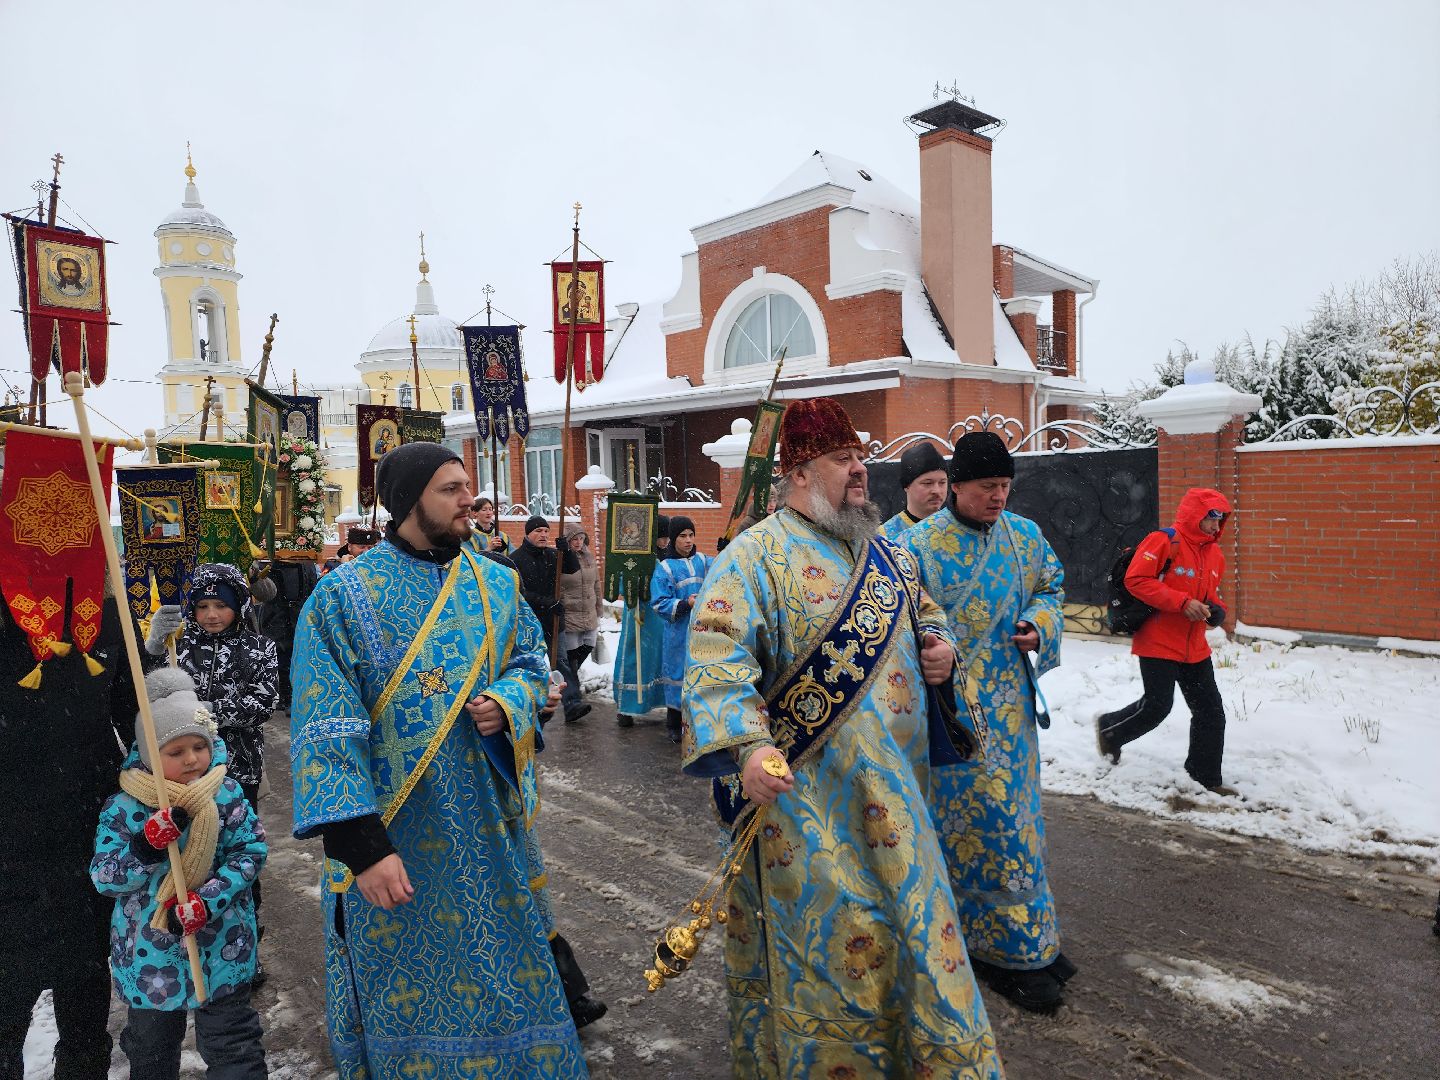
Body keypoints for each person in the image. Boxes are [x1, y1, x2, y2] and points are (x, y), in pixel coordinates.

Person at [682, 398, 1003, 1078]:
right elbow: (716, 659)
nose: (861, 471)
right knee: (833, 964)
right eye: (843, 460)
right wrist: (748, 746)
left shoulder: (888, 555)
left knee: (918, 948)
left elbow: (930, 616)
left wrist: (941, 647)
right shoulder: (753, 559)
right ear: (799, 472)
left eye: (861, 458)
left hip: (901, 802)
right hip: (806, 814)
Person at [288, 443, 586, 1078]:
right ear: (409, 499)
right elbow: (325, 730)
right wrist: (360, 847)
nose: (468, 503)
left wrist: (510, 703)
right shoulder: (342, 597)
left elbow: (534, 669)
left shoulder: (497, 584)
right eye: (450, 490)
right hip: (397, 841)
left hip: (489, 830)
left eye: (467, 489)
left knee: (509, 984)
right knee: (408, 995)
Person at [903, 431, 1071, 1012]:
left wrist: (1040, 626)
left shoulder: (1026, 538)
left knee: (1022, 822)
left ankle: (1031, 936)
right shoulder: (917, 547)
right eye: (986, 487)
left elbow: (1051, 588)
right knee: (980, 830)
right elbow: (902, 621)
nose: (998, 497)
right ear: (957, 487)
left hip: (1013, 711)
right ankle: (1004, 951)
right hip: (954, 715)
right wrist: (934, 647)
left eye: (1005, 486)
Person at [91, 667, 268, 1080]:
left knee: (234, 1046)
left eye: (198, 747)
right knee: (151, 1050)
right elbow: (105, 877)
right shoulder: (125, 807)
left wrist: (208, 900)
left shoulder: (225, 793)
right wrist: (145, 847)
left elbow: (250, 852)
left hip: (222, 944)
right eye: (175, 751)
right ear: (151, 754)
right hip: (150, 955)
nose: (191, 759)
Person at [0, 591, 136, 1079]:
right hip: (10, 845)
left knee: (83, 1001)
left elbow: (133, 712)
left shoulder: (104, 609)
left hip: (86, 837)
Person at [145, 563, 279, 985]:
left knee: (235, 858)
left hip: (237, 772)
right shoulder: (178, 649)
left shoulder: (260, 648)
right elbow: (156, 694)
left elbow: (264, 702)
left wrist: (205, 715)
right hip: (185, 774)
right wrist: (153, 651)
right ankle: (188, 937)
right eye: (202, 606)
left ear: (239, 604)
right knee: (188, 856)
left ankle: (245, 941)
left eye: (221, 604)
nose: (211, 615)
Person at [1094, 488, 1234, 793]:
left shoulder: (1215, 555)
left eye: (1220, 519)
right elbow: (1136, 580)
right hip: (1158, 638)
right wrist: (1181, 603)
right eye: (1211, 518)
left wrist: (1216, 610)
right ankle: (1110, 731)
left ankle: (1204, 778)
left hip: (1194, 646)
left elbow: (1209, 594)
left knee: (1210, 712)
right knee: (1157, 707)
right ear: (1195, 515)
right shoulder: (1164, 541)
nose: (1215, 525)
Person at [511, 515, 584, 720]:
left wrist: (566, 551)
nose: (543, 535)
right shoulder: (516, 559)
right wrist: (545, 601)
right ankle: (531, 708)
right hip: (528, 622)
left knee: (560, 661)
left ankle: (572, 703)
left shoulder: (553, 555)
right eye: (538, 531)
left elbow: (573, 568)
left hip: (553, 619)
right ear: (527, 534)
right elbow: (518, 593)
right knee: (529, 663)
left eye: (546, 531)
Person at [650, 516, 710, 744]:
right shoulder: (665, 568)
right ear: (674, 539)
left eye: (691, 535)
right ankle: (674, 722)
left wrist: (727, 550)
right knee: (677, 675)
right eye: (682, 536)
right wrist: (686, 604)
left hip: (704, 631)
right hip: (678, 632)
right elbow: (659, 603)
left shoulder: (704, 561)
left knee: (700, 672)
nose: (688, 540)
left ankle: (699, 719)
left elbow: (726, 570)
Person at [613, 515, 669, 730]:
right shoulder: (636, 557)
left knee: (658, 658)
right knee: (633, 657)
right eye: (661, 537)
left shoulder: (668, 557)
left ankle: (658, 701)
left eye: (666, 538)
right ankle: (625, 706)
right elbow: (622, 583)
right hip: (639, 615)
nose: (664, 542)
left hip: (660, 618)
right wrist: (633, 586)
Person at [256, 555, 317, 710]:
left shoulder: (306, 563)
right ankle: (285, 695)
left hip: (299, 615)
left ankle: (296, 695)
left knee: (298, 655)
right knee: (280, 655)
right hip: (276, 616)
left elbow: (311, 589)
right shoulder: (268, 562)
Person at [559, 527, 603, 723]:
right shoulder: (561, 558)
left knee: (588, 645)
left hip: (589, 612)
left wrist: (599, 607)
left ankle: (570, 679)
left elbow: (596, 584)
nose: (578, 542)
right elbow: (557, 585)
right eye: (574, 539)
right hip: (570, 614)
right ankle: (572, 695)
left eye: (581, 538)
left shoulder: (589, 556)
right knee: (570, 655)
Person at [879, 440, 949, 542]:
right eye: (927, 483)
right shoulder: (885, 537)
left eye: (942, 482)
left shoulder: (956, 530)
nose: (936, 491)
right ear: (907, 485)